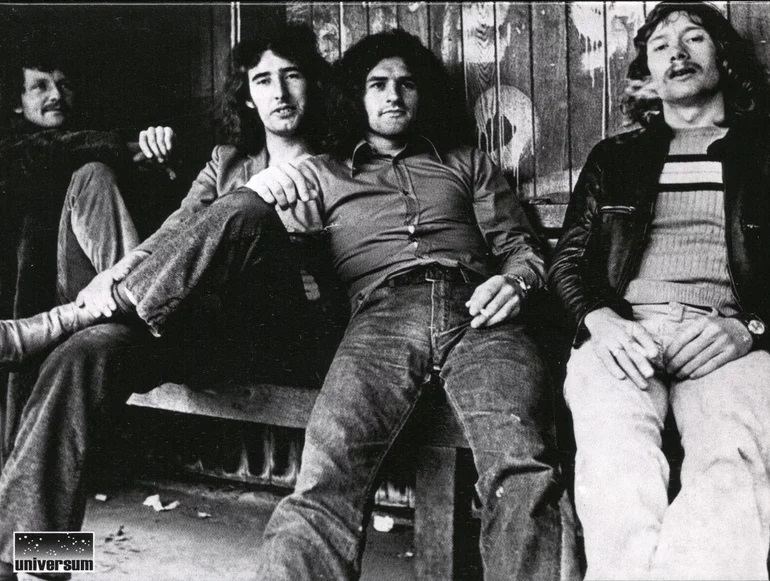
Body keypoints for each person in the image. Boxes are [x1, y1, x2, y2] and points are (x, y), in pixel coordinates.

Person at [0, 24, 329, 581]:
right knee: (84, 355)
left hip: (281, 330)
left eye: (292, 76)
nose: (280, 92)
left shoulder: (343, 163)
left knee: (248, 209)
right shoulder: (225, 161)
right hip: (194, 325)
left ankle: (63, 319)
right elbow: (171, 234)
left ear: (313, 87)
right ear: (248, 93)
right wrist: (119, 274)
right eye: (264, 79)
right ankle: (36, 562)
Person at [248, 29, 575, 581]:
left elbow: (522, 247)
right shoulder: (324, 174)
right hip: (380, 317)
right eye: (378, 84)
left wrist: (515, 285)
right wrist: (300, 244)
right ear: (357, 96)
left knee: (521, 466)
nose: (393, 95)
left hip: (478, 312)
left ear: (423, 95)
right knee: (328, 473)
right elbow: (307, 288)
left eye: (406, 84)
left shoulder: (465, 162)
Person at [549, 2, 770, 578]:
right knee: (616, 466)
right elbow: (568, 263)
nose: (678, 51)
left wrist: (749, 329)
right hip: (625, 332)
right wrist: (603, 322)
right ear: (647, 75)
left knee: (732, 464)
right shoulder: (616, 157)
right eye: (660, 45)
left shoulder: (764, 151)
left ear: (723, 57)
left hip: (723, 337)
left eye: (695, 37)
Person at [0, 48, 176, 465]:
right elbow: (48, 156)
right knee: (92, 171)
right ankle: (140, 303)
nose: (55, 94)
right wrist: (125, 147)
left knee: (95, 174)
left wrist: (156, 160)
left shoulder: (100, 150)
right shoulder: (17, 150)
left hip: (94, 295)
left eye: (63, 84)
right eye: (40, 86)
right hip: (48, 306)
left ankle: (136, 302)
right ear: (16, 101)